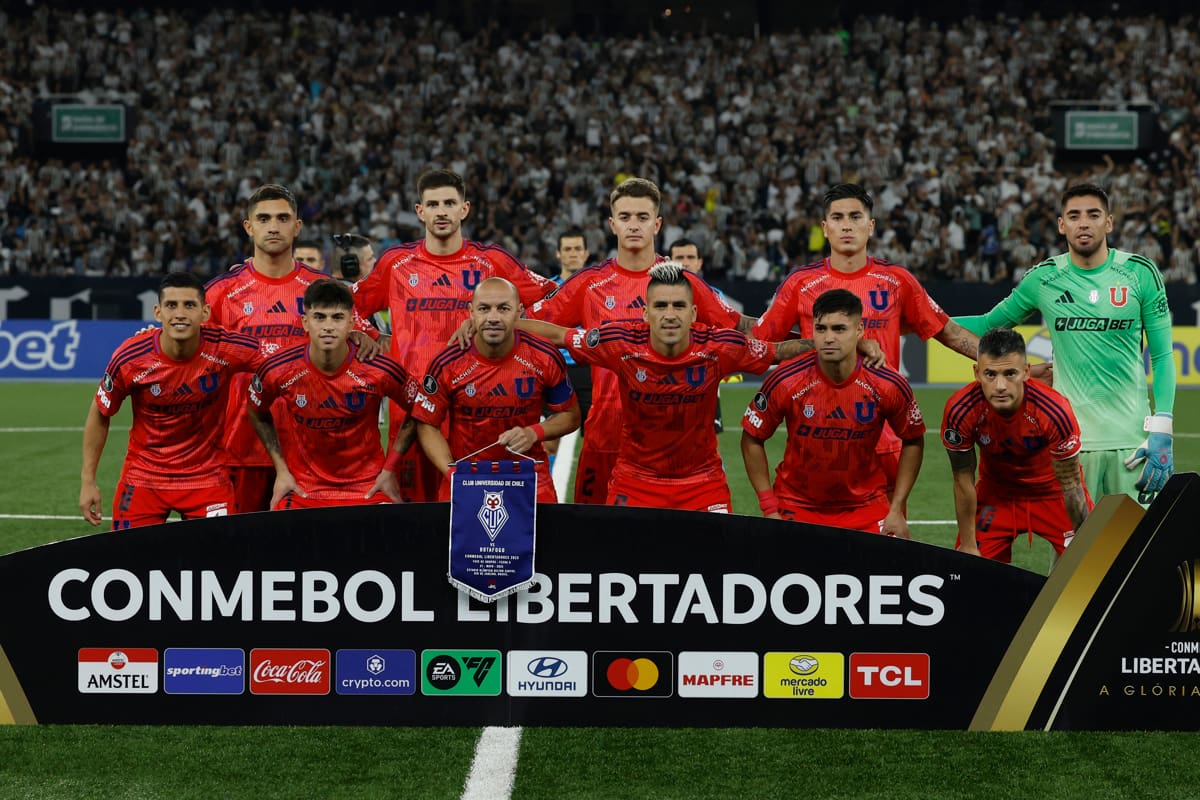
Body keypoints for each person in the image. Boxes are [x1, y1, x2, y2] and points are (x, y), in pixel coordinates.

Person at [525, 178, 750, 505]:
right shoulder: (590, 283)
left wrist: (805, 334)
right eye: (625, 217)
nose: (634, 225)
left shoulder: (682, 284)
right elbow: (534, 326)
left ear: (656, 224)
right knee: (594, 535)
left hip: (670, 446)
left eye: (642, 217)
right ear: (612, 224)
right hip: (605, 437)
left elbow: (739, 325)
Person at [519, 262, 805, 513]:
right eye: (660, 306)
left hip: (703, 484)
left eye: (679, 306)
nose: (670, 314)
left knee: (715, 558)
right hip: (635, 482)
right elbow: (559, 334)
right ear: (645, 313)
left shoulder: (720, 347)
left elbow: (778, 351)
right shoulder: (621, 343)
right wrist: (505, 326)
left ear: (693, 313)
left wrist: (822, 344)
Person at [954, 183, 1175, 505]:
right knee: (1077, 540)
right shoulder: (1044, 279)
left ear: (1108, 223)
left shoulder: (1139, 273)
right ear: (1062, 225)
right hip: (1069, 443)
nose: (1083, 223)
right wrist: (922, 318)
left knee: (1135, 539)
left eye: (1093, 215)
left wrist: (1162, 428)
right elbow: (988, 324)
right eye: (1074, 216)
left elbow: (1163, 356)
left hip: (1133, 444)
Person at [752, 183, 974, 498]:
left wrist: (1010, 364)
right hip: (815, 436)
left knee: (888, 527)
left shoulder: (897, 281)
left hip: (884, 438)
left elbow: (949, 332)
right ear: (825, 228)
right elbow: (760, 346)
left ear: (870, 226)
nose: (847, 225)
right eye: (838, 217)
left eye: (855, 217)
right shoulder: (800, 283)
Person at [352, 168, 556, 502]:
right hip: (410, 407)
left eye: (449, 203)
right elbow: (348, 305)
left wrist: (498, 324)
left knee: (470, 509)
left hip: (473, 411)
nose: (442, 211)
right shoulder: (397, 263)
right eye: (433, 205)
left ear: (465, 208)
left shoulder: (490, 261)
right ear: (420, 211)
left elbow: (551, 298)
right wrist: (370, 335)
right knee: (413, 513)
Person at [206, 184, 381, 513]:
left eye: (283, 218)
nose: (273, 226)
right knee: (238, 545)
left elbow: (373, 344)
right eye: (264, 219)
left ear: (297, 226)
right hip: (240, 448)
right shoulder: (220, 293)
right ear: (249, 227)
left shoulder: (324, 290)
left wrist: (367, 336)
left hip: (313, 457)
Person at [80, 272, 263, 529]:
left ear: (205, 312)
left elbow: (282, 363)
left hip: (207, 478)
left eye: (189, 305)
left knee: (220, 554)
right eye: (171, 305)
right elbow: (101, 412)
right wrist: (88, 481)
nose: (180, 313)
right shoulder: (131, 357)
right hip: (144, 478)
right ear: (158, 313)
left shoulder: (226, 347)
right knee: (127, 554)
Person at [741, 288, 925, 536]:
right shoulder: (786, 380)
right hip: (796, 505)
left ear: (859, 330)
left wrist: (896, 508)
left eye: (839, 329)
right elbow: (752, 438)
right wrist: (769, 507)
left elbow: (913, 439)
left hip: (866, 507)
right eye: (821, 329)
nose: (828, 338)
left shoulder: (887, 383)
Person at [247, 279, 417, 510]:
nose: (328, 326)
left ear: (351, 324)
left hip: (368, 488)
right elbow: (255, 409)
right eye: (319, 317)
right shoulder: (279, 369)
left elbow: (419, 407)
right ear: (305, 322)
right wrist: (282, 470)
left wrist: (389, 469)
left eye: (337, 318)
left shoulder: (379, 368)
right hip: (303, 489)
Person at [414, 277, 581, 503]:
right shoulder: (447, 362)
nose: (493, 317)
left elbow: (571, 415)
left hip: (529, 477)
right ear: (471, 312)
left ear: (518, 312)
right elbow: (427, 424)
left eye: (503, 308)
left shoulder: (544, 356)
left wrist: (534, 433)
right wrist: (452, 472)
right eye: (484, 309)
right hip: (466, 477)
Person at [942, 327, 1092, 563]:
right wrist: (969, 544)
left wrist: (1083, 544)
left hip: (1053, 494)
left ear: (1026, 372)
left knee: (1091, 567)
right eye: (990, 374)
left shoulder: (1054, 411)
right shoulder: (961, 410)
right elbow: (963, 480)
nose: (1000, 386)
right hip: (996, 495)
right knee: (969, 571)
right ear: (977, 373)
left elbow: (1071, 485)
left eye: (1010, 373)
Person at [670, 236, 726, 433]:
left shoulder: (715, 296)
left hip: (704, 378)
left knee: (707, 438)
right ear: (669, 261)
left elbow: (724, 335)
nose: (685, 262)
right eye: (679, 257)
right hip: (666, 378)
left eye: (690, 257)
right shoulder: (656, 295)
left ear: (700, 262)